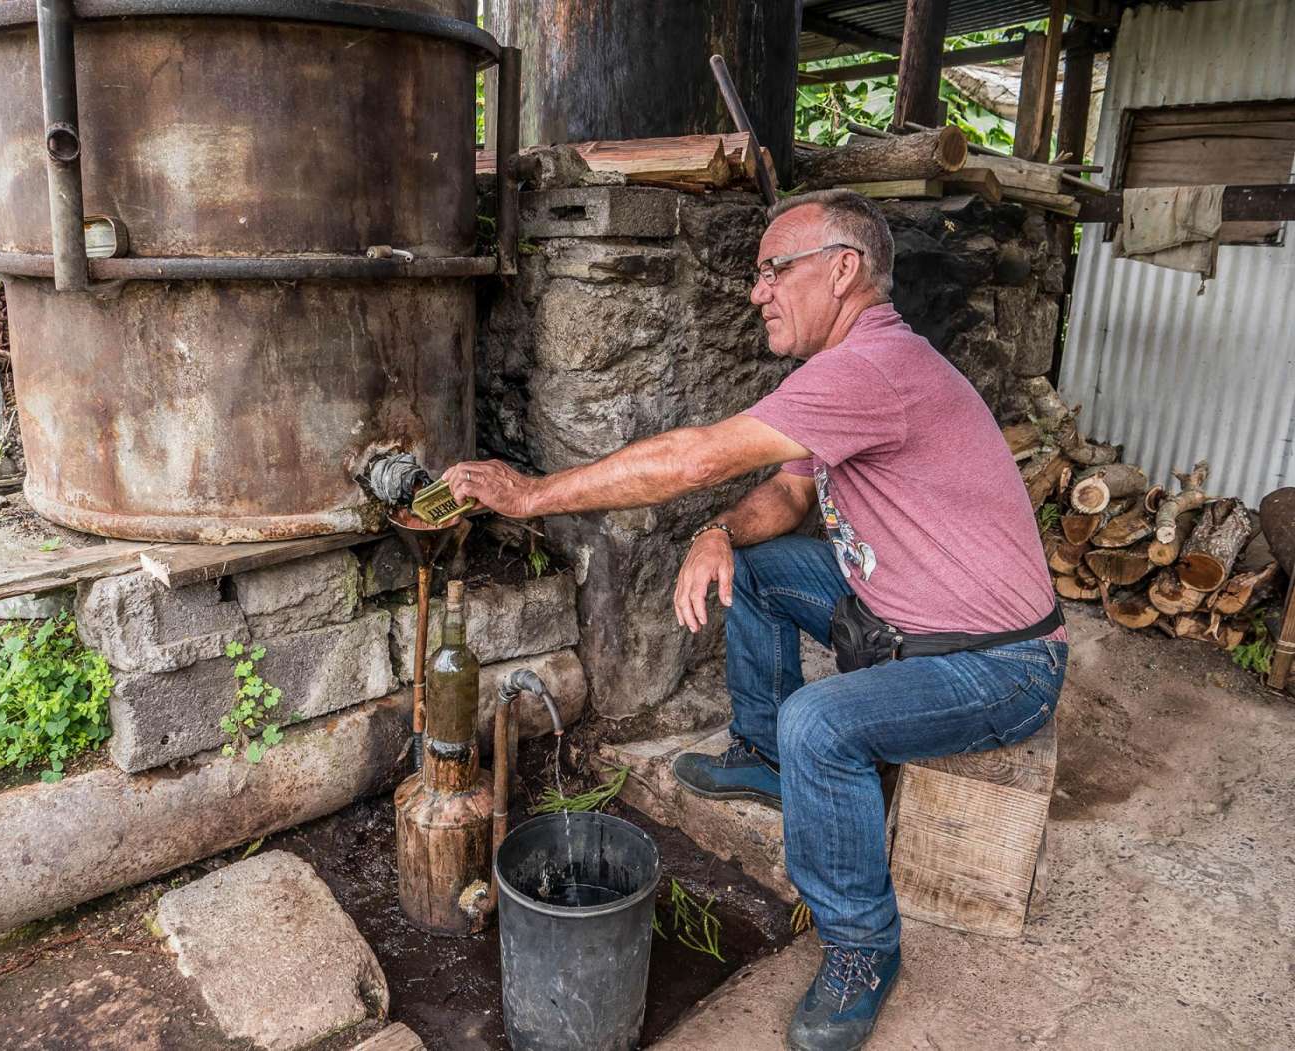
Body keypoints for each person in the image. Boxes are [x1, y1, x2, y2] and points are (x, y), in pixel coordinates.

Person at [444, 189, 1066, 1051]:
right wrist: (718, 533)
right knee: (763, 572)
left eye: (774, 269)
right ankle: (766, 756)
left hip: (998, 664)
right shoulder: (846, 370)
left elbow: (694, 455)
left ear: (843, 269)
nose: (756, 291)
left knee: (822, 719)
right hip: (894, 612)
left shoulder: (874, 366)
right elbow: (788, 489)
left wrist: (533, 494)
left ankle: (860, 948)